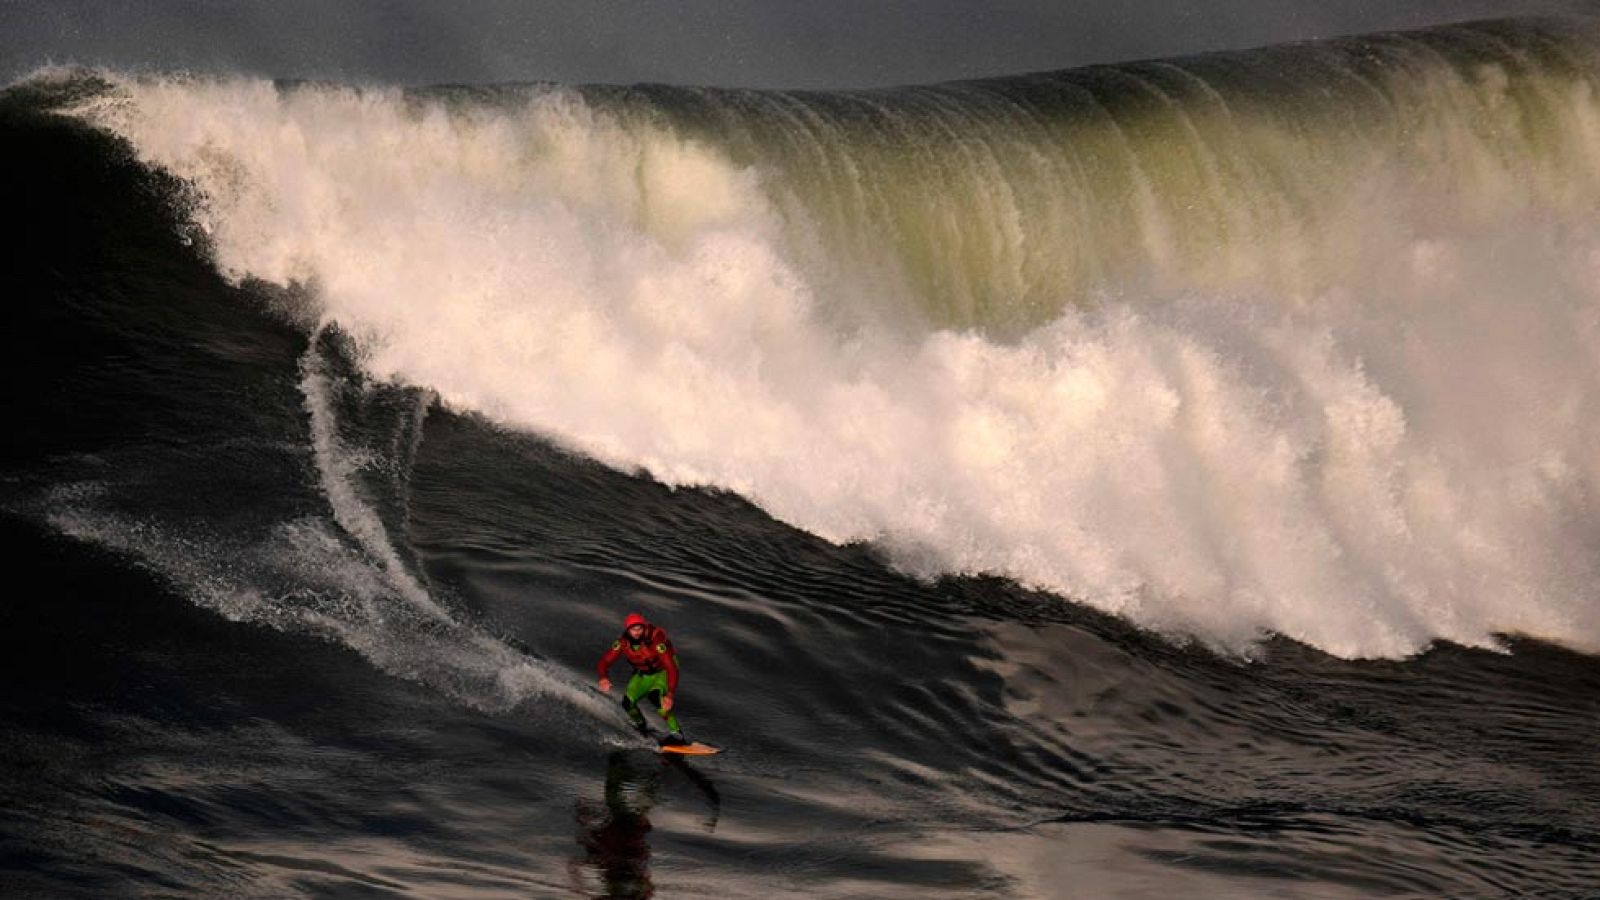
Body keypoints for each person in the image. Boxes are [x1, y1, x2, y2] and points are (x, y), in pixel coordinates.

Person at [597, 612, 686, 745]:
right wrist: (603, 677)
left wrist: (670, 694)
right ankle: (641, 724)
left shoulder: (656, 638)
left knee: (655, 696)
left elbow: (671, 667)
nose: (637, 632)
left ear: (644, 627)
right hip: (643, 674)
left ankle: (677, 733)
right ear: (627, 630)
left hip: (663, 671)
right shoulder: (622, 643)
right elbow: (604, 662)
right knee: (627, 703)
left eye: (640, 628)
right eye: (633, 629)